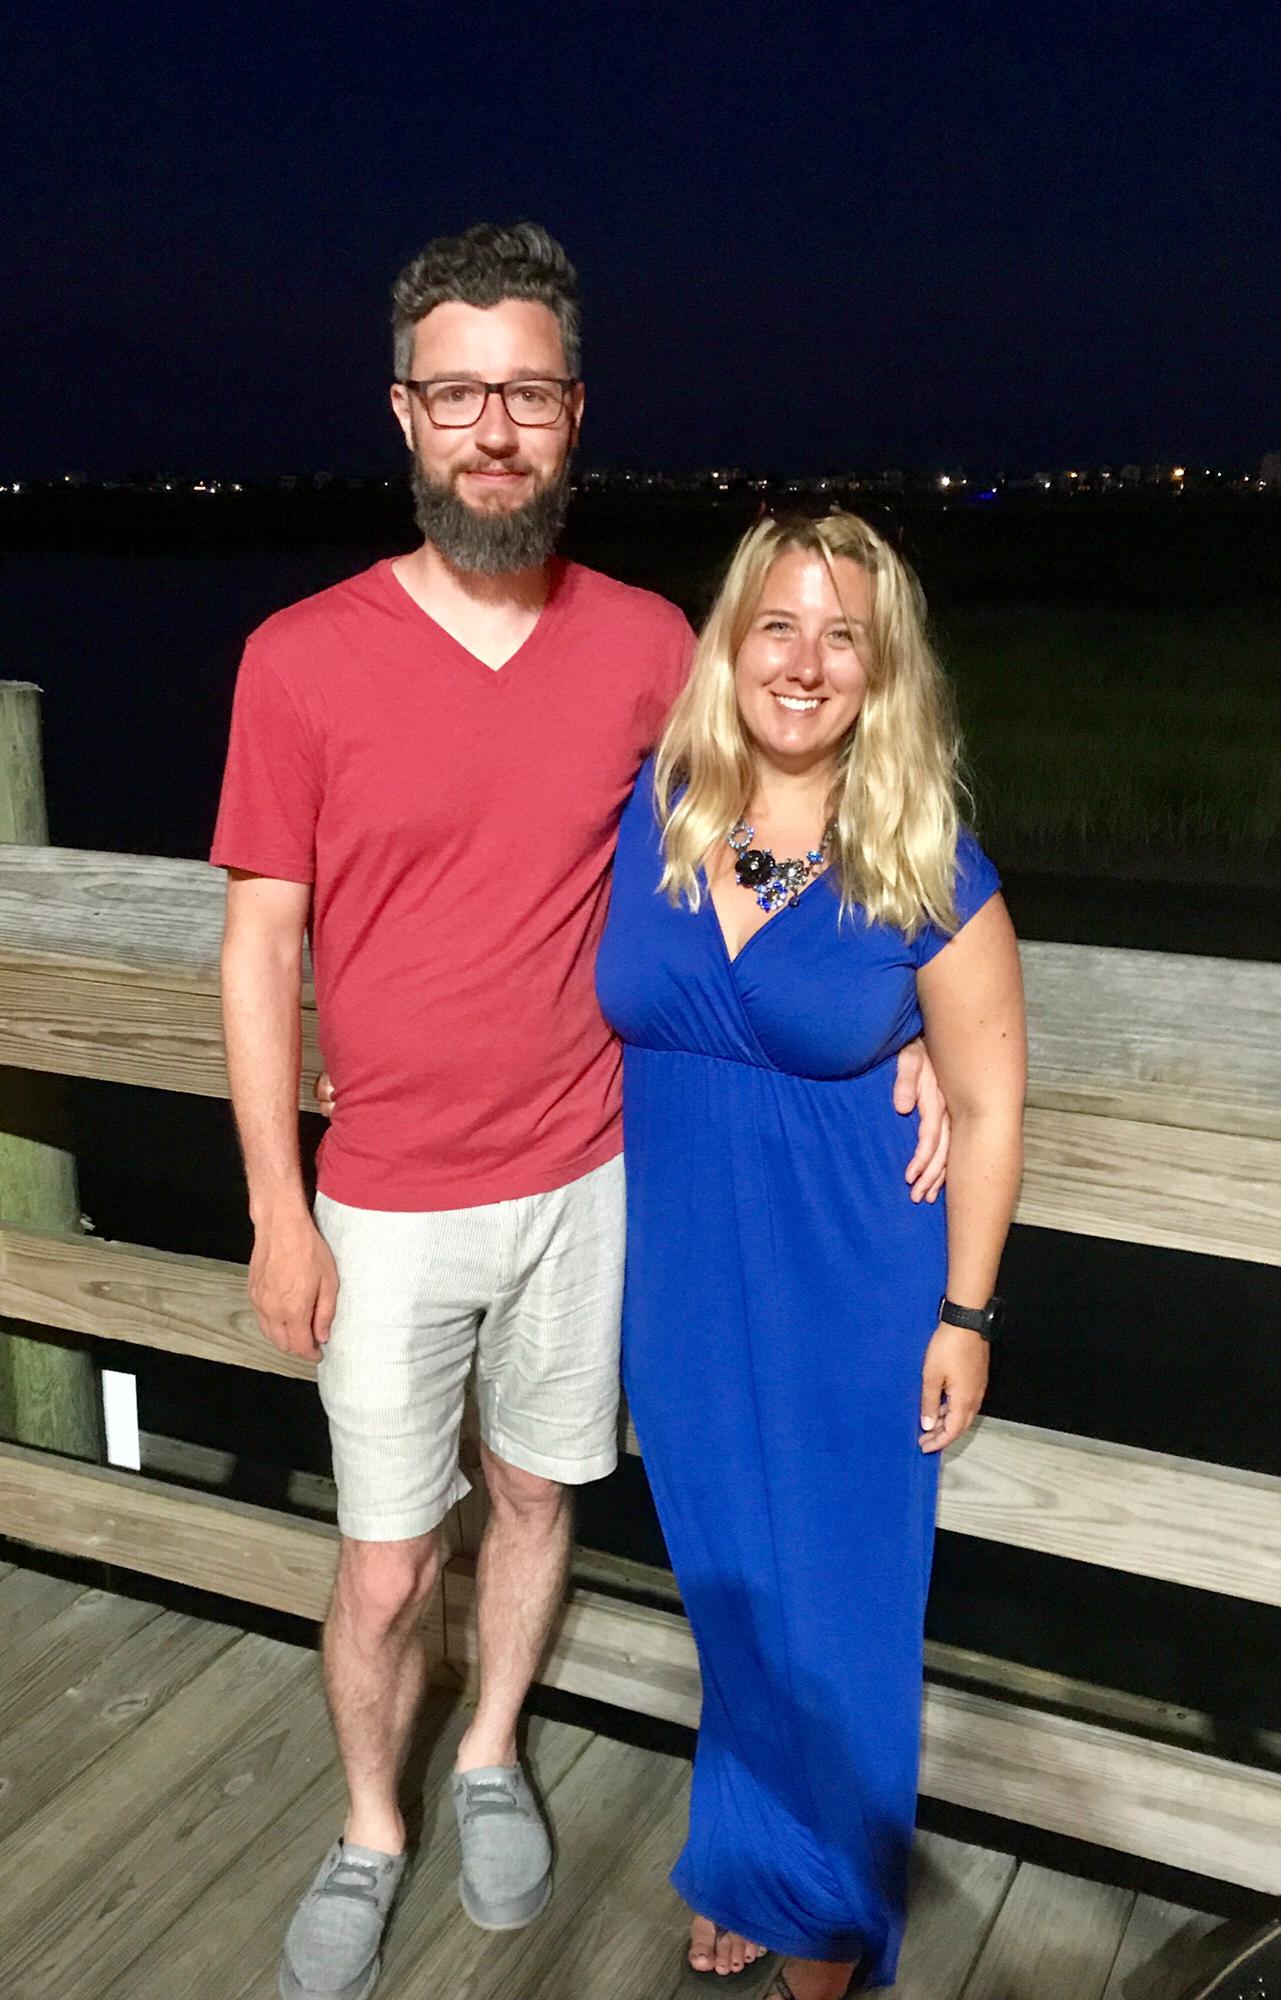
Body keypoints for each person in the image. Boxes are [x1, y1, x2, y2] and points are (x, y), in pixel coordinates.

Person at [212, 223, 950, 2000]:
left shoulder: (640, 647)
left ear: (571, 414)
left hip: (594, 1182)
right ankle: (371, 1821)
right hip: (381, 1195)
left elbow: (820, 773)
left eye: (525, 393)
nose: (492, 429)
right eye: (457, 392)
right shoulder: (297, 658)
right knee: (388, 1563)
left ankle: (487, 1763)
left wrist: (917, 1006)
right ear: (404, 413)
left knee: (538, 1500)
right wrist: (273, 1200)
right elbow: (258, 948)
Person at [594, 509, 1027, 1998]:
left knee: (835, 1620)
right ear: (729, 643)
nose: (805, 659)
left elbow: (986, 1098)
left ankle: (821, 1929)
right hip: (686, 1292)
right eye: (777, 624)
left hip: (854, 1289)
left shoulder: (922, 861)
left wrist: (964, 1312)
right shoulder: (651, 818)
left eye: (843, 634)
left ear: (880, 668)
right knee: (730, 1593)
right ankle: (754, 1865)